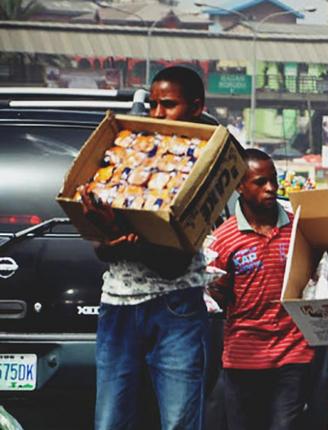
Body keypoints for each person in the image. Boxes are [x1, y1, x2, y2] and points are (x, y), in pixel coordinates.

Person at [79, 66, 211, 430]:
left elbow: (174, 263)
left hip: (176, 306)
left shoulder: (201, 165)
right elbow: (101, 251)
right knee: (110, 421)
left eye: (168, 105)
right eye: (153, 104)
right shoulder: (125, 156)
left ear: (195, 107)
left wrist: (129, 244)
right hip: (118, 304)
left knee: (179, 421)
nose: (156, 114)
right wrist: (111, 238)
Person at [209, 148, 314, 430]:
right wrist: (214, 290)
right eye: (260, 182)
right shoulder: (223, 240)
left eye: (273, 180)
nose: (270, 188)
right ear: (239, 186)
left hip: (293, 352)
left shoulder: (299, 228)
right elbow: (217, 295)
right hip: (243, 356)